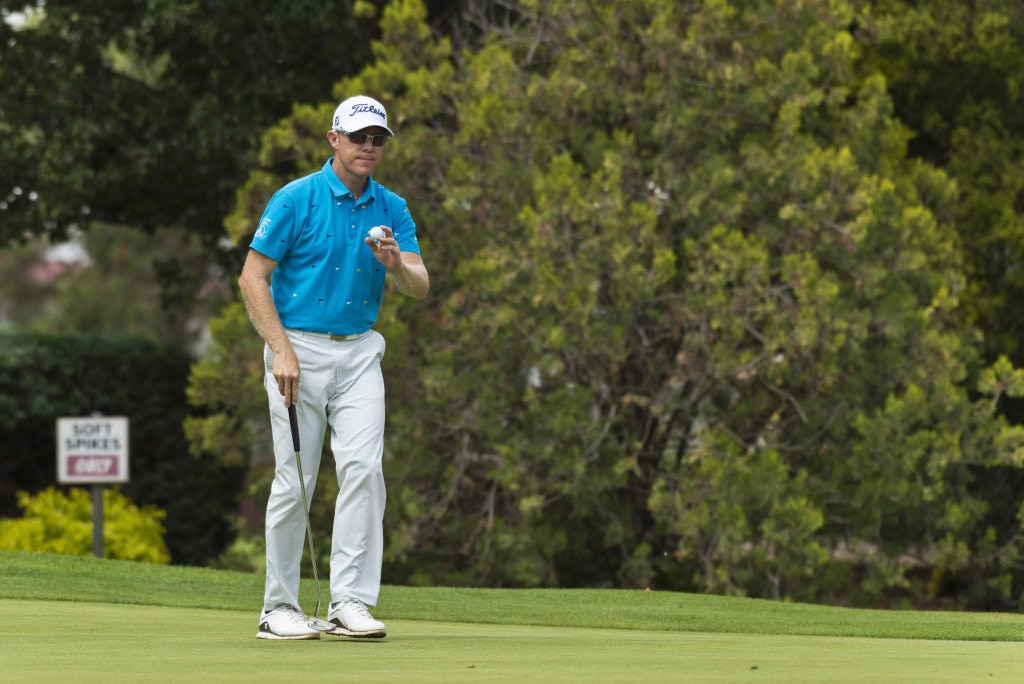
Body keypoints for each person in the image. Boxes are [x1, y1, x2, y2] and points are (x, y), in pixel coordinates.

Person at [239, 95, 429, 640]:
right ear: (334, 140)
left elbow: (419, 285)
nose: (369, 147)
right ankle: (278, 608)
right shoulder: (295, 198)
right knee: (294, 479)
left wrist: (397, 265)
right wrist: (281, 350)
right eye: (359, 137)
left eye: (378, 140)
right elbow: (252, 277)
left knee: (365, 471)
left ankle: (350, 602)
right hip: (297, 348)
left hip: (361, 350)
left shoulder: (392, 207)